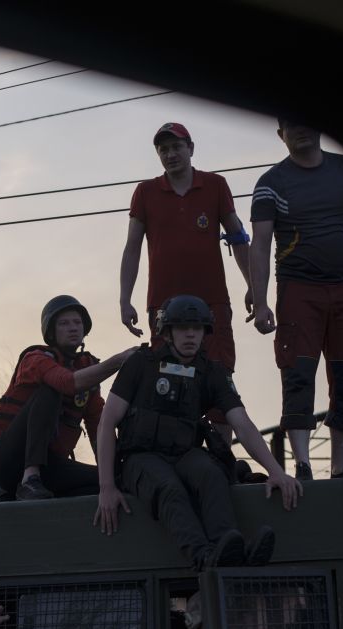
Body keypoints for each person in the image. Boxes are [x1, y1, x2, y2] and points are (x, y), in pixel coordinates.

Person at [94, 295, 302, 570]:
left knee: (212, 475)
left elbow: (242, 423)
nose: (191, 334)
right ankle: (204, 557)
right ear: (167, 332)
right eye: (182, 327)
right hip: (140, 457)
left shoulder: (211, 372)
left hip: (184, 453)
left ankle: (230, 548)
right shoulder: (141, 364)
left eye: (198, 328)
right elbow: (107, 422)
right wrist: (106, 487)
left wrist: (276, 470)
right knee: (169, 488)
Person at [247, 118, 343, 480]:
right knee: (297, 374)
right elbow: (259, 246)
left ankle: (339, 467)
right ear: (281, 135)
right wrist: (260, 302)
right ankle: (303, 464)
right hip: (298, 290)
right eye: (290, 125)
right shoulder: (270, 184)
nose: (299, 130)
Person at [120, 122, 253, 436]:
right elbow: (132, 247)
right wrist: (125, 299)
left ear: (190, 148)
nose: (170, 154)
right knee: (169, 379)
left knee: (220, 375)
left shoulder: (215, 185)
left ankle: (221, 455)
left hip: (212, 302)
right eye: (163, 149)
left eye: (176, 147)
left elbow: (237, 235)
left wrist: (253, 287)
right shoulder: (146, 191)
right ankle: (178, 451)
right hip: (164, 307)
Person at [0, 295, 135, 499]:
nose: (73, 328)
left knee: (112, 481)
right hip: (7, 460)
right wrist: (119, 361)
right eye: (64, 323)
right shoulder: (35, 359)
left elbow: (97, 425)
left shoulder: (87, 368)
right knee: (51, 391)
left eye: (77, 322)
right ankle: (30, 478)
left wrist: (113, 473)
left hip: (51, 464)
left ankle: (18, 497)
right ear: (51, 332)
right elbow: (67, 383)